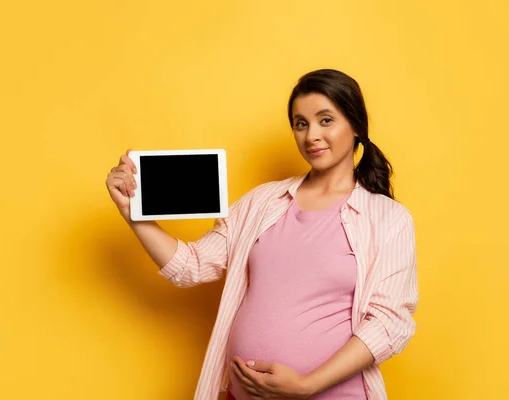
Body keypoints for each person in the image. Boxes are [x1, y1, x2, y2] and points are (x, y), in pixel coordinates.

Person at [105, 69, 418, 400]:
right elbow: (191, 266)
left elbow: (390, 322)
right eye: (301, 123)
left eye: (326, 120)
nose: (311, 134)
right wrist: (132, 213)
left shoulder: (388, 219)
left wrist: (306, 385)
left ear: (355, 126)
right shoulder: (262, 202)